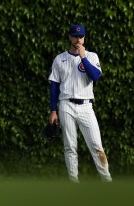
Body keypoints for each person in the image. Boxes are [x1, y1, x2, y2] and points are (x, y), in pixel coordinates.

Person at [48, 24, 112, 183]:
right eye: (75, 36)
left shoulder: (91, 56)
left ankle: (107, 181)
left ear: (84, 38)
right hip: (66, 105)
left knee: (97, 146)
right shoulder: (60, 58)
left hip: (86, 106)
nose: (78, 39)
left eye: (81, 36)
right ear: (69, 37)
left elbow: (95, 77)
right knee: (70, 147)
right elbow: (54, 85)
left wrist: (83, 57)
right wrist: (53, 110)